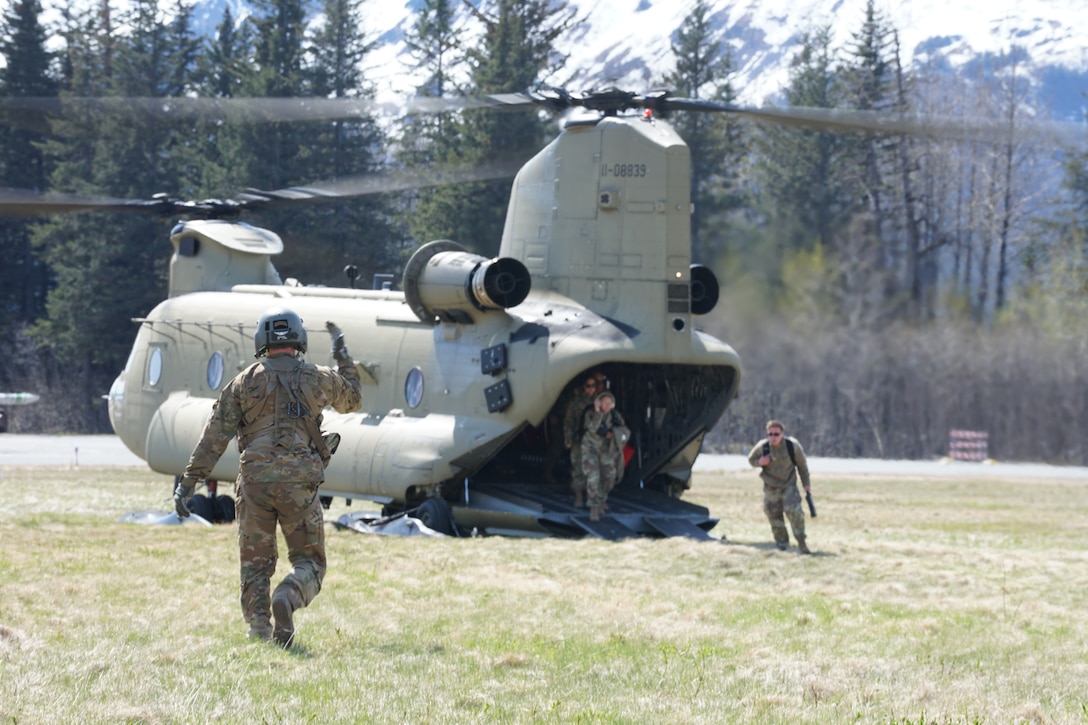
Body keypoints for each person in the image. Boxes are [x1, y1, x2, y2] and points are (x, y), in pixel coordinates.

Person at [174, 307, 362, 647]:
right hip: (299, 484)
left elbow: (214, 437)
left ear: (262, 341)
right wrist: (343, 355)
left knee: (255, 564)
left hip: (255, 482)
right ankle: (288, 596)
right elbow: (353, 399)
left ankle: (260, 630)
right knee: (309, 562)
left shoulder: (244, 382)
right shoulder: (319, 378)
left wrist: (188, 483)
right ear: (298, 340)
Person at [748, 419, 812, 554]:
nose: (773, 437)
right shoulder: (763, 446)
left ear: (782, 434)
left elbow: (802, 467)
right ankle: (782, 544)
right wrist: (760, 462)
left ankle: (801, 542)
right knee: (773, 515)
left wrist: (806, 485)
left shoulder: (792, 446)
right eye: (770, 434)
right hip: (770, 486)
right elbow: (751, 460)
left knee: (794, 512)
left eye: (776, 434)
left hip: (788, 485)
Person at [580, 390, 630, 522]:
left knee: (609, 476)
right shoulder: (590, 413)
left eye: (610, 403)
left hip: (606, 449)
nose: (608, 406)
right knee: (593, 477)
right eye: (605, 403)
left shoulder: (615, 415)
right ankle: (594, 508)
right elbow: (591, 428)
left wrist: (614, 433)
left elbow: (624, 429)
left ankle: (601, 499)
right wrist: (598, 413)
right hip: (590, 447)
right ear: (599, 403)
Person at [562, 373, 600, 508]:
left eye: (593, 386)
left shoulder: (600, 402)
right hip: (579, 439)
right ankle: (578, 496)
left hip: (594, 440)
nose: (590, 389)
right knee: (578, 468)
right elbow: (569, 421)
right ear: (583, 387)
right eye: (588, 386)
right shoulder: (575, 402)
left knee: (594, 470)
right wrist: (568, 438)